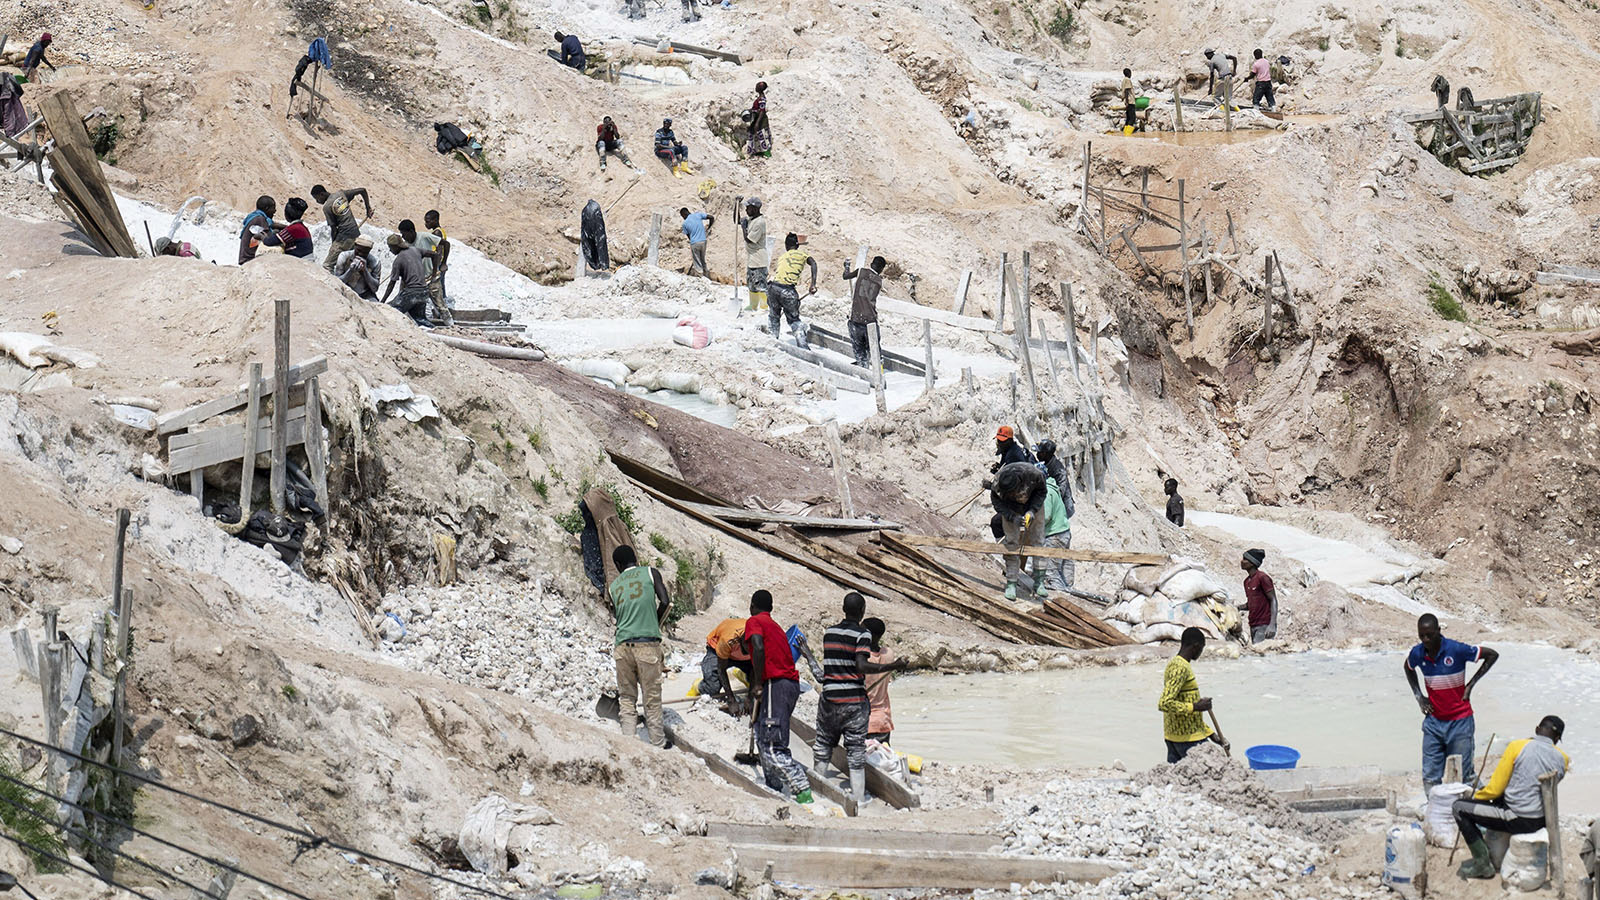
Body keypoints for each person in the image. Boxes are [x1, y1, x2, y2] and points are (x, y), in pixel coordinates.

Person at [814, 592, 906, 804]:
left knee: (823, 745)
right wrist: (892, 666)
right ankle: (858, 798)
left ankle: (818, 789)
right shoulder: (862, 636)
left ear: (844, 609)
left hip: (829, 699)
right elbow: (861, 665)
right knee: (856, 752)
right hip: (853, 702)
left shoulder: (829, 633)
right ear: (862, 611)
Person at [1453, 716, 1570, 879]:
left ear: (1537, 729)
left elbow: (1494, 790)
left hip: (1517, 818)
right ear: (1557, 739)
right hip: (1540, 819)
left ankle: (1482, 864)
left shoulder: (1517, 746)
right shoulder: (1563, 759)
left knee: (1459, 807)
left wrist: (1474, 797)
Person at [1404, 614, 1500, 791]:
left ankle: (1484, 807)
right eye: (1421, 635)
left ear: (1439, 632)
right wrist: (1420, 697)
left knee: (1465, 776)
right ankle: (1436, 813)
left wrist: (1470, 685)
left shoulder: (1456, 650)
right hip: (1433, 722)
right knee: (1430, 776)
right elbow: (1408, 667)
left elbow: (1492, 655)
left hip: (1460, 721)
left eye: (1430, 635)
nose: (1425, 640)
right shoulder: (1417, 653)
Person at [742, 590, 813, 803]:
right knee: (762, 733)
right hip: (787, 686)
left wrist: (756, 685)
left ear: (753, 605)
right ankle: (773, 785)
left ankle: (802, 791)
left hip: (776, 684)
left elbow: (758, 647)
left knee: (773, 746)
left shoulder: (754, 621)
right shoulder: (775, 627)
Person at [608, 545, 671, 749]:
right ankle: (658, 744)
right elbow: (665, 601)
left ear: (618, 565)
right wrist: (656, 622)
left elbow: (621, 616)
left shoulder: (614, 586)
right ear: (635, 558)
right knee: (651, 696)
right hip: (647, 644)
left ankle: (628, 742)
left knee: (627, 696)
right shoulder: (650, 573)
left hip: (622, 646)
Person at [1159, 627, 1223, 763]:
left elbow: (1185, 708)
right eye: (1202, 648)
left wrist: (1211, 734)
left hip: (1175, 737)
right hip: (1188, 740)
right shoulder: (1180, 667)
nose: (1201, 652)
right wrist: (1196, 706)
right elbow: (1165, 703)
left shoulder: (1176, 664)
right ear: (1196, 646)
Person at [990, 460, 1047, 600]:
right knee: (1011, 544)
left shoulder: (1034, 474)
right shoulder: (997, 483)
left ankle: (1039, 581)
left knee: (1038, 541)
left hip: (1033, 503)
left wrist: (1032, 510)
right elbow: (996, 502)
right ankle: (1011, 583)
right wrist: (1010, 516)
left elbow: (1042, 492)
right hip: (1010, 508)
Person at [767, 233, 816, 349]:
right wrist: (813, 284)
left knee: (774, 316)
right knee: (794, 320)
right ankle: (803, 346)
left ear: (786, 245)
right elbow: (813, 263)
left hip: (773, 288)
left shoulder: (783, 256)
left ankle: (773, 340)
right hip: (788, 291)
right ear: (797, 245)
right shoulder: (803, 254)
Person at [310, 184, 372, 274]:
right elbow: (362, 190)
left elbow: (333, 228)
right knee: (348, 264)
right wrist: (368, 208)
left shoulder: (327, 207)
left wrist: (334, 243)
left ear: (322, 194)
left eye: (317, 199)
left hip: (344, 237)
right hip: (355, 234)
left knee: (327, 265)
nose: (317, 201)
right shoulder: (341, 194)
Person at [402, 218, 450, 322]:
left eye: (404, 234)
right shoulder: (406, 245)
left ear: (411, 231)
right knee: (421, 307)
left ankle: (452, 326)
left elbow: (446, 244)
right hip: (418, 281)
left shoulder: (425, 237)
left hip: (431, 277)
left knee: (441, 307)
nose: (403, 237)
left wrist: (443, 263)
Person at [379, 234, 434, 325]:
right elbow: (434, 254)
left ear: (396, 247)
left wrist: (383, 301)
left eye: (391, 247)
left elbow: (391, 284)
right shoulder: (415, 250)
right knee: (420, 319)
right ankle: (432, 329)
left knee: (391, 310)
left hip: (411, 292)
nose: (390, 250)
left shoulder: (398, 260)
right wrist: (434, 271)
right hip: (424, 292)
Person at [842, 255, 886, 367]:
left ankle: (863, 366)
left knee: (859, 348)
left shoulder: (861, 271)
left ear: (872, 264)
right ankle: (877, 370)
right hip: (871, 319)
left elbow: (846, 276)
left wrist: (846, 266)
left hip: (856, 317)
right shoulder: (879, 281)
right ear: (881, 269)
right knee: (874, 348)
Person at [700, 617, 752, 708]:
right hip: (717, 651)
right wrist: (731, 699)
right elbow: (721, 669)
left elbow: (758, 668)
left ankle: (742, 675)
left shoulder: (763, 641)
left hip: (742, 656)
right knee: (712, 689)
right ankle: (702, 685)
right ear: (741, 640)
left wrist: (750, 697)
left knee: (763, 682)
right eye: (747, 647)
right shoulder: (728, 640)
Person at [862, 617, 897, 744]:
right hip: (883, 720)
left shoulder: (862, 660)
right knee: (882, 760)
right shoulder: (889, 654)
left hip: (864, 721)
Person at [1039, 474, 1074, 592]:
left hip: (1054, 535)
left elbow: (1046, 516)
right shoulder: (1053, 488)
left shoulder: (1046, 493)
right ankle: (1068, 592)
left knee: (1051, 571)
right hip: (1064, 532)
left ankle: (1060, 598)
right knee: (1063, 569)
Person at [1240, 549, 1277, 643]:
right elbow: (1251, 604)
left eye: (1245, 559)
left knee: (1261, 655)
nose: (1241, 561)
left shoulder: (1263, 578)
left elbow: (1273, 599)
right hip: (1253, 625)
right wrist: (1237, 607)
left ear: (1252, 563)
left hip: (1264, 625)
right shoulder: (1247, 581)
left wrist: (1272, 624)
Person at [740, 198, 768, 311]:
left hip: (759, 259)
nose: (746, 209)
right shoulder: (752, 219)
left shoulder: (760, 222)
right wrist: (736, 205)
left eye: (748, 207)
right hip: (752, 258)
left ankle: (764, 306)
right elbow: (737, 220)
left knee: (760, 284)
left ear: (755, 209)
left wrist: (743, 227)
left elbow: (749, 240)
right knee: (751, 284)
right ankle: (753, 305)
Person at [238, 196, 283, 265]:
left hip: (245, 258)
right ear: (267, 208)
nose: (275, 210)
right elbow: (270, 240)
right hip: (249, 260)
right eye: (273, 208)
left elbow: (272, 225)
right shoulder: (260, 219)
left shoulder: (255, 216)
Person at [424, 209, 452, 310]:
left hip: (437, 265)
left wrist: (437, 267)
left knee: (437, 289)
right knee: (440, 287)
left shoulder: (436, 233)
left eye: (428, 221)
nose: (425, 224)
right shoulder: (440, 231)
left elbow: (439, 251)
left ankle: (442, 311)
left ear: (435, 220)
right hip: (439, 264)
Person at [679, 207, 713, 278]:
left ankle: (700, 276)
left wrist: (693, 240)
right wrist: (709, 227)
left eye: (682, 216)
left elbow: (689, 237)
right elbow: (711, 217)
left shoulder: (685, 223)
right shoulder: (698, 215)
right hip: (703, 241)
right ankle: (706, 275)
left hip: (695, 243)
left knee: (697, 261)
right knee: (702, 259)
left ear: (684, 214)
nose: (683, 218)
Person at [746, 81, 771, 157]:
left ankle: (767, 153)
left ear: (760, 88)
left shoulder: (762, 98)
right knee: (752, 133)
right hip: (756, 118)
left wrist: (757, 123)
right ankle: (753, 151)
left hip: (761, 120)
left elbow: (762, 111)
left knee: (762, 136)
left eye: (757, 86)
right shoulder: (760, 97)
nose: (755, 87)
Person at [1120, 67, 1138, 134]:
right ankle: (1128, 133)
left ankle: (1125, 131)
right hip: (1130, 101)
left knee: (1128, 117)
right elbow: (1127, 91)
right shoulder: (1127, 80)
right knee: (1132, 118)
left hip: (1128, 101)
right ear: (1129, 73)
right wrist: (1127, 102)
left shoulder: (1124, 80)